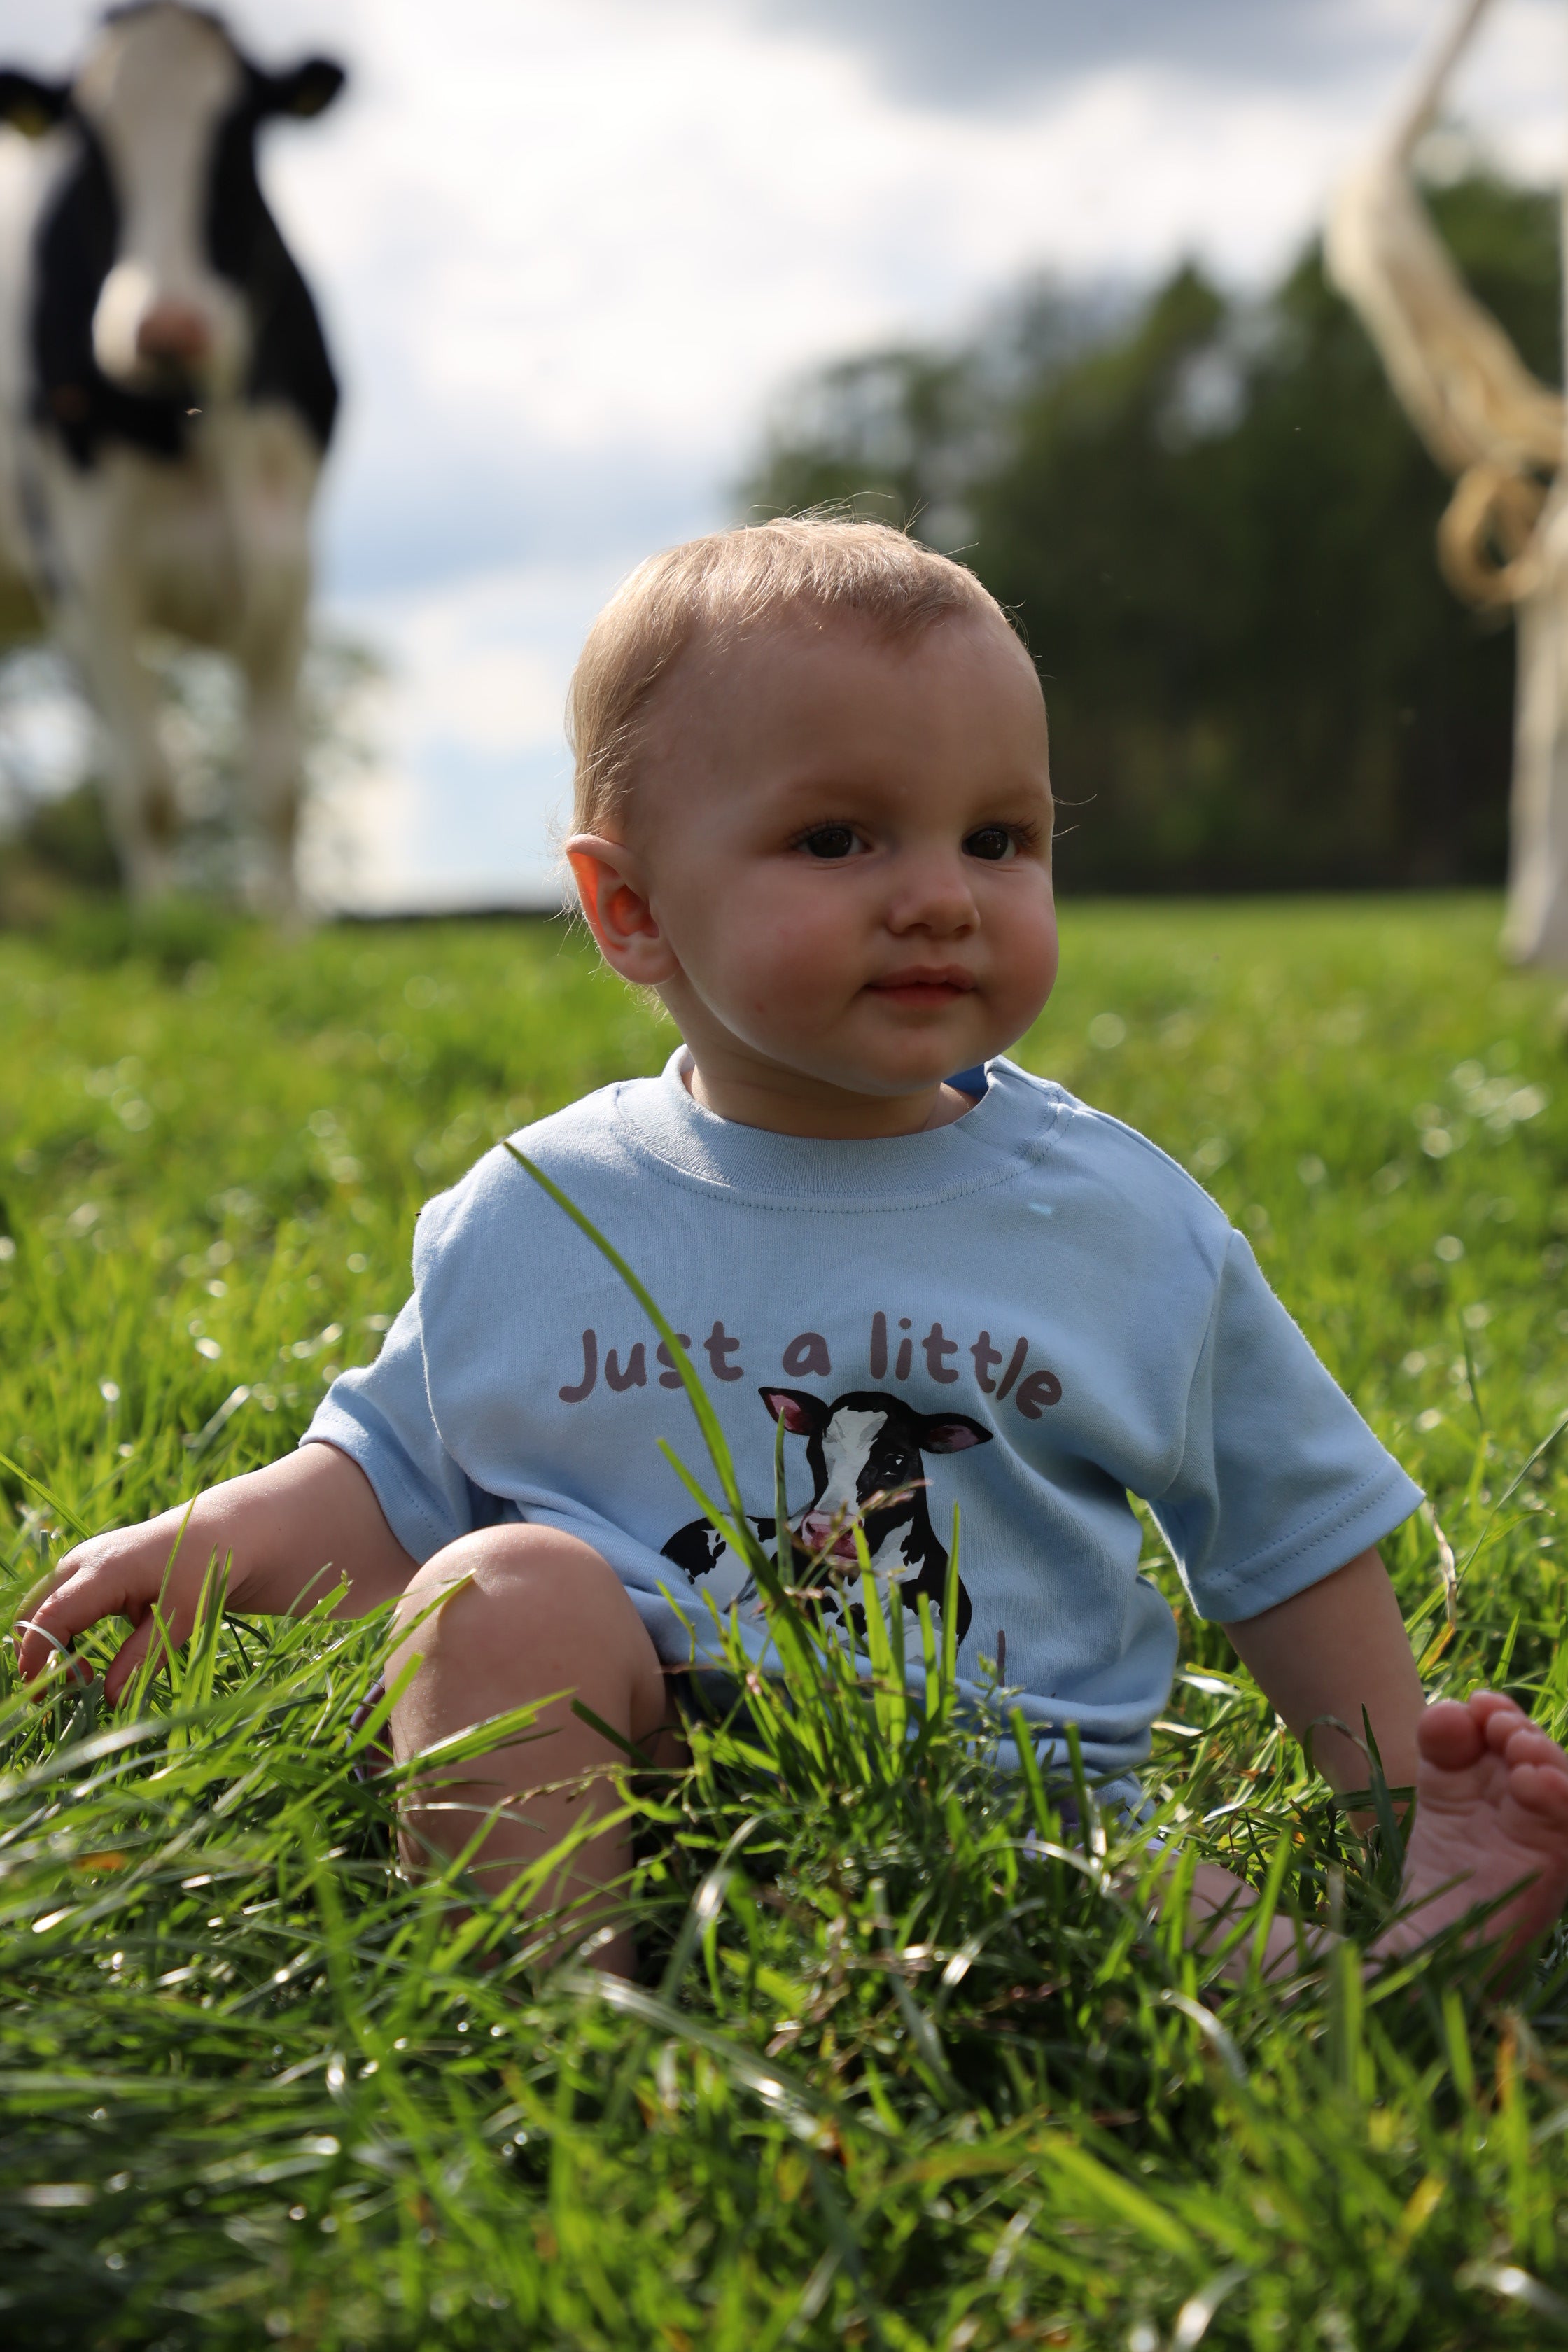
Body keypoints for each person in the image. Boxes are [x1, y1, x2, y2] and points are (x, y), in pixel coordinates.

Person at [16, 519, 1568, 1982]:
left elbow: (1285, 1528)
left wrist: (1390, 1792)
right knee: (496, 1590)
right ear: (630, 910)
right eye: (838, 839)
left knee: (1176, 1930)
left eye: (998, 837)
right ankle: (561, 2033)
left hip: (1004, 1818)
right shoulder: (543, 1209)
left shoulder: (1113, 1219)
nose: (940, 899)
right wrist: (220, 1539)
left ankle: (1390, 1960)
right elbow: (385, 1480)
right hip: (637, 1782)